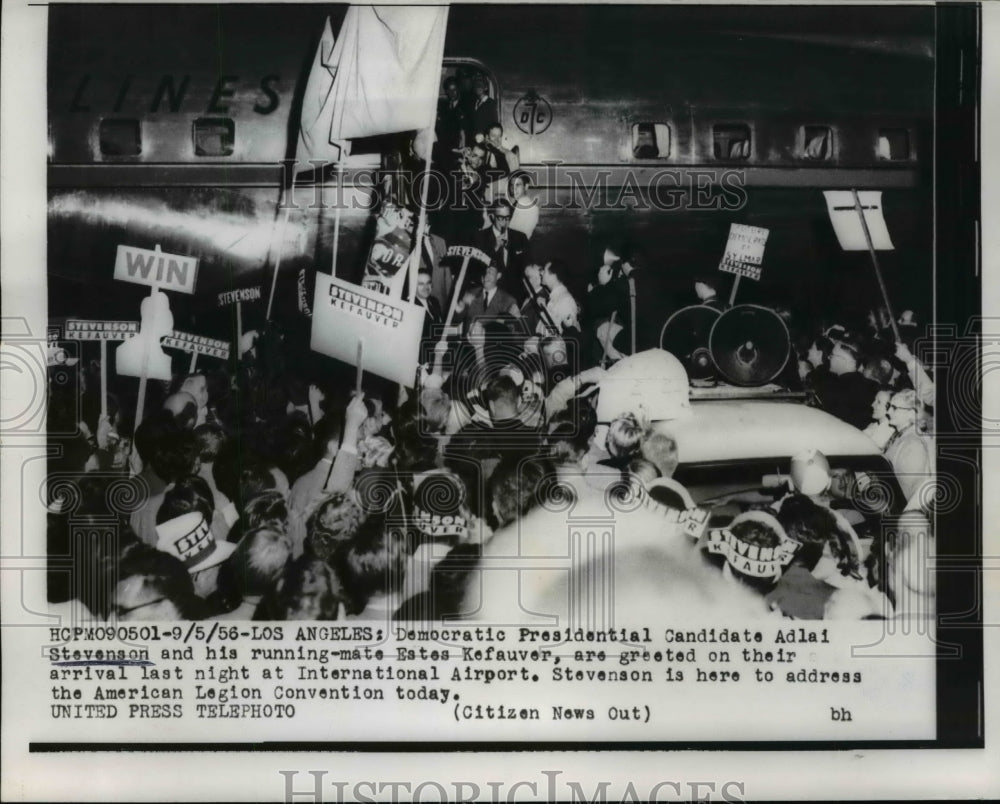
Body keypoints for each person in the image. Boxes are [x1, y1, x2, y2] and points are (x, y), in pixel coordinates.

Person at [883, 388, 934, 502]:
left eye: (894, 408)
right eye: (889, 406)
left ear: (911, 413)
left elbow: (906, 491)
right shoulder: (901, 435)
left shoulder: (914, 444)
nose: (888, 412)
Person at [472, 199, 529, 288]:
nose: (504, 222)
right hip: (492, 292)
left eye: (507, 218)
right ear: (493, 217)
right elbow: (476, 269)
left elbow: (527, 266)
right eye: (500, 218)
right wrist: (495, 248)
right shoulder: (480, 238)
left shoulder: (520, 237)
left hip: (516, 294)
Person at [540, 259, 581, 334]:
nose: (541, 273)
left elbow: (569, 334)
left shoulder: (565, 300)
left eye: (544, 271)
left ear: (553, 276)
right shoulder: (555, 297)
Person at [507, 171, 539, 239]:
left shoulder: (531, 209)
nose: (513, 188)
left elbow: (522, 236)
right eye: (511, 185)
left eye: (517, 185)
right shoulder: (513, 205)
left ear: (526, 186)